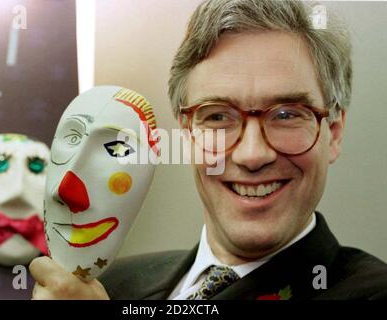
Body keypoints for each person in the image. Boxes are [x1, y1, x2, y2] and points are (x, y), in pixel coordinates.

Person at [30, 0, 387, 300]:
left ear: (334, 134)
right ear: (187, 136)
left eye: (286, 115)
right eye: (217, 116)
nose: (252, 154)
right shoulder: (109, 286)